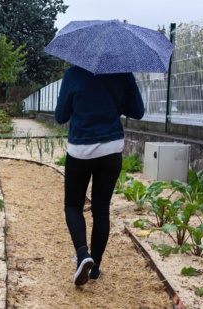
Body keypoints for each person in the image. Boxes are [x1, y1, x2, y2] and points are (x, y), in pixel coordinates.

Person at [55, 65, 144, 287]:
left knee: (73, 206)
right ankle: (94, 268)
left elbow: (60, 116)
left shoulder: (74, 73)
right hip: (111, 149)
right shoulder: (122, 72)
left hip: (80, 150)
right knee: (101, 209)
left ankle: (83, 253)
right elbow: (138, 111)